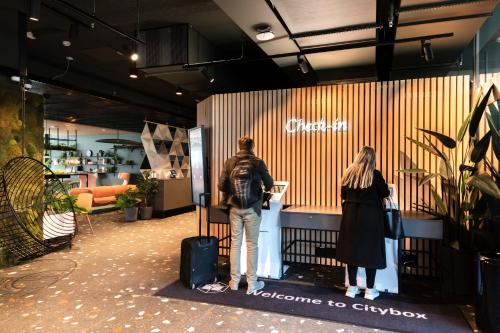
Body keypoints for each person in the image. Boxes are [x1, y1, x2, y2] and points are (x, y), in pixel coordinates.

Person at [218, 136, 274, 294]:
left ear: (239, 146)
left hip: (234, 208)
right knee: (252, 245)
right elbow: (269, 184)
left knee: (235, 243)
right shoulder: (258, 162)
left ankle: (234, 282)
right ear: (252, 146)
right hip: (253, 208)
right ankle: (252, 283)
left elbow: (221, 185)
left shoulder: (229, 162)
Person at [336, 146, 390, 301]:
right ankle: (369, 290)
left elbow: (343, 194)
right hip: (370, 219)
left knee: (351, 251)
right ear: (373, 159)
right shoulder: (375, 175)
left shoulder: (349, 173)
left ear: (358, 156)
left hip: (350, 216)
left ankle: (352, 288)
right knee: (370, 253)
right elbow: (385, 193)